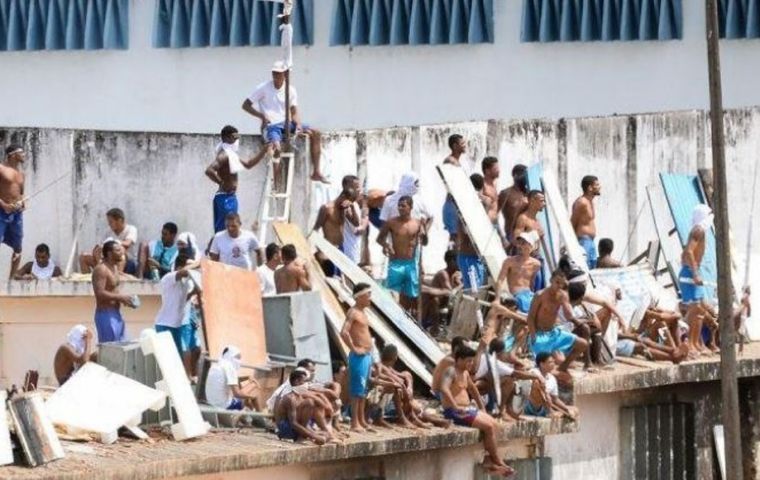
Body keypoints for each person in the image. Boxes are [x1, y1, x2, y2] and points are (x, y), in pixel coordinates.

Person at [242, 61, 326, 183]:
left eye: (279, 73)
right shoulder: (263, 88)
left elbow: (294, 111)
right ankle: (276, 183)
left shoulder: (290, 90)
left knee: (316, 133)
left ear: (285, 74)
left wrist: (298, 125)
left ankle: (317, 172)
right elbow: (246, 105)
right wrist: (262, 116)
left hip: (287, 123)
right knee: (276, 147)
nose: (275, 75)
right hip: (271, 126)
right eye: (274, 73)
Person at [439, 346, 515, 477]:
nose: (471, 364)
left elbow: (474, 390)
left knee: (495, 424)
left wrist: (483, 409)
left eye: (471, 361)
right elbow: (444, 389)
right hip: (454, 411)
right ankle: (497, 460)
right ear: (459, 360)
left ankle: (488, 459)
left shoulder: (466, 373)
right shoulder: (451, 371)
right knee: (489, 426)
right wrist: (455, 406)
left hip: (468, 409)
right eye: (468, 361)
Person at [527, 270, 589, 385]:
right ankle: (556, 375)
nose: (559, 286)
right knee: (545, 367)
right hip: (540, 334)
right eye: (557, 282)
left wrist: (564, 300)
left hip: (554, 333)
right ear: (551, 281)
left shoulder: (563, 295)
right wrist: (533, 335)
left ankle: (563, 367)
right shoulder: (540, 295)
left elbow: (568, 315)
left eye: (562, 283)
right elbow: (530, 317)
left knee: (583, 344)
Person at [205, 125, 270, 233]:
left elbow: (248, 164)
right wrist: (220, 182)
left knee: (223, 231)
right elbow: (209, 170)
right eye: (234, 137)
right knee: (228, 230)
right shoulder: (224, 155)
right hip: (226, 198)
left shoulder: (231, 155)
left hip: (227, 197)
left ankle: (212, 249)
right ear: (226, 138)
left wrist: (264, 151)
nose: (237, 140)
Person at [154, 253, 202, 377]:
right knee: (170, 358)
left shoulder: (185, 283)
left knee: (182, 354)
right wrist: (200, 262)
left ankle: (186, 380)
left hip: (177, 324)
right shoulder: (169, 278)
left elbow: (182, 301)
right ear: (180, 267)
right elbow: (185, 272)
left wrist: (192, 293)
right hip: (164, 324)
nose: (192, 272)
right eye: (189, 268)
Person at [377, 196, 422, 315]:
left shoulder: (417, 223)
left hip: (411, 263)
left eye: (403, 206)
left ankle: (406, 317)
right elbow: (379, 239)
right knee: (393, 293)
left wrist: (424, 233)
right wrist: (386, 245)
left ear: (410, 207)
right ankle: (393, 316)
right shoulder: (391, 222)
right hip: (396, 262)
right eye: (399, 205)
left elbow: (425, 242)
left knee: (410, 295)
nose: (400, 208)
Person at [679, 204, 714, 354]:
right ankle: (687, 342)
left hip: (694, 270)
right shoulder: (698, 230)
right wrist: (695, 273)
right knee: (695, 309)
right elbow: (688, 251)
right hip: (690, 273)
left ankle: (696, 344)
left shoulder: (701, 231)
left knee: (699, 310)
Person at [340, 283, 375, 433]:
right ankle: (355, 422)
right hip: (358, 356)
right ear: (359, 296)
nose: (370, 298)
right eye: (368, 295)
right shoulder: (353, 312)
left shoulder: (363, 313)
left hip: (367, 355)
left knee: (364, 390)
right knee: (356, 390)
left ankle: (361, 420)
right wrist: (354, 348)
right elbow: (344, 332)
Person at [91, 241, 136, 343]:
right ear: (109, 253)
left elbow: (113, 290)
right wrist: (121, 298)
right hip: (105, 314)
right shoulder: (101, 269)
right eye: (118, 250)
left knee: (121, 349)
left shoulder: (115, 268)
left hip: (117, 314)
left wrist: (125, 301)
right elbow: (100, 293)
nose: (122, 252)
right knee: (109, 350)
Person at [274, 370, 330, 444]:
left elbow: (303, 422)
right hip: (287, 428)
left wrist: (314, 434)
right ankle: (302, 437)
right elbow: (293, 423)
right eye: (304, 381)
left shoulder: (300, 396)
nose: (306, 384)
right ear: (297, 381)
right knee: (309, 402)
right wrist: (314, 436)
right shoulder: (290, 398)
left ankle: (304, 436)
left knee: (326, 436)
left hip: (297, 428)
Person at [80, 208, 139, 275]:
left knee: (120, 251)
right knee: (83, 257)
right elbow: (101, 245)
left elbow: (127, 243)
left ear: (119, 220)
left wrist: (113, 242)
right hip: (108, 260)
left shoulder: (131, 229)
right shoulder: (108, 232)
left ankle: (115, 280)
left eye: (111, 222)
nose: (109, 224)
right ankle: (90, 281)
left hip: (127, 263)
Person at [457, 174, 489, 291]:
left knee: (476, 290)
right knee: (473, 290)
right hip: (469, 255)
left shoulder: (466, 202)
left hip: (474, 255)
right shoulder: (464, 203)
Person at [205, 345, 261, 411]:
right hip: (224, 406)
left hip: (211, 403)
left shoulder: (217, 365)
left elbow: (233, 381)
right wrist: (252, 397)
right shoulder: (230, 367)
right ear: (230, 357)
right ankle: (261, 416)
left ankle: (251, 412)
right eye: (237, 357)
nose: (239, 361)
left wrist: (246, 377)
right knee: (251, 393)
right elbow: (237, 394)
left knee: (246, 396)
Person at [497, 231, 541, 314]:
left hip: (529, 295)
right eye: (519, 243)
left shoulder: (536, 264)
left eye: (523, 243)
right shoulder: (509, 261)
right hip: (516, 296)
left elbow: (532, 282)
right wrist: (497, 299)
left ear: (530, 246)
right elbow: (500, 280)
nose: (520, 246)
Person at [525, 353, 578, 420]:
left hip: (542, 408)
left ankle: (559, 413)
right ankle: (551, 412)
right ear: (542, 364)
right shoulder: (533, 372)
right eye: (550, 362)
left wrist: (566, 409)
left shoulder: (552, 378)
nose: (553, 364)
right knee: (538, 384)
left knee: (574, 410)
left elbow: (555, 399)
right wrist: (546, 394)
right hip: (528, 404)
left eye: (553, 362)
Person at [421, 250, 462, 336]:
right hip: (431, 308)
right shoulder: (443, 274)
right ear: (451, 261)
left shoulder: (453, 275)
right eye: (458, 261)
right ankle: (435, 328)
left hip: (442, 308)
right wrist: (459, 285)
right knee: (435, 300)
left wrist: (459, 283)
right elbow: (449, 291)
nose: (459, 264)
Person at [513, 190, 547, 290]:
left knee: (539, 288)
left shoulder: (537, 221)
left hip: (537, 259)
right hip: (527, 261)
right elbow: (516, 240)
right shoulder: (523, 218)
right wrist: (535, 235)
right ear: (532, 201)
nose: (544, 204)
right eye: (541, 201)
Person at [0, 144, 25, 279]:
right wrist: (3, 205)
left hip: (16, 215)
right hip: (1, 212)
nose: (24, 155)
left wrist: (23, 203)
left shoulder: (21, 174)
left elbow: (21, 194)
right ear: (13, 154)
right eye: (22, 152)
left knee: (18, 247)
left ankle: (11, 279)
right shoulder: (1, 169)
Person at [571, 175, 601, 270]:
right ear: (590, 187)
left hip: (590, 241)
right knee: (584, 268)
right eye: (597, 184)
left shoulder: (590, 202)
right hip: (583, 241)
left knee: (592, 268)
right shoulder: (581, 202)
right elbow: (572, 222)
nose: (600, 186)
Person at [442, 134, 466, 244]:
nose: (465, 146)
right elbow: (451, 183)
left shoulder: (456, 161)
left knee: (458, 235)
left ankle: (454, 259)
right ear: (455, 146)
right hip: (452, 204)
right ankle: (452, 260)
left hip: (457, 203)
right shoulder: (450, 161)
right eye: (462, 144)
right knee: (455, 236)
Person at [498, 164, 529, 244]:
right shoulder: (505, 194)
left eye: (527, 175)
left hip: (529, 238)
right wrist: (502, 238)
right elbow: (494, 217)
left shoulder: (529, 194)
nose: (526, 177)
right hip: (513, 238)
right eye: (524, 175)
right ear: (515, 176)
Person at [431, 336, 467, 400]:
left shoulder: (453, 359)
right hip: (439, 393)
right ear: (457, 348)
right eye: (465, 348)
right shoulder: (450, 361)